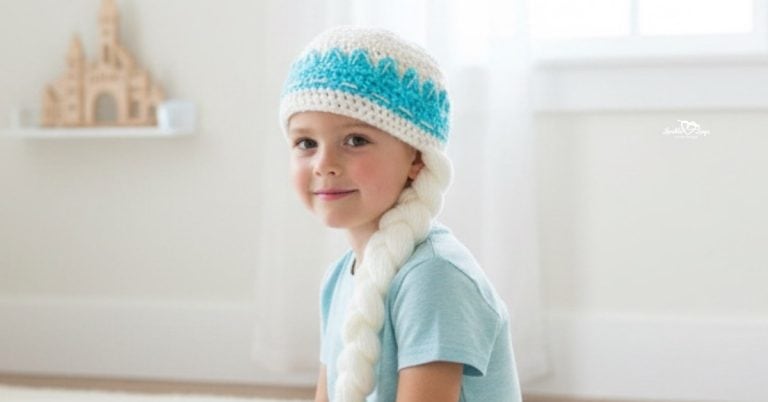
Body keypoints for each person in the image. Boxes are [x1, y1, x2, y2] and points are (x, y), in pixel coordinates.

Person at [278, 26, 522, 402]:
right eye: (306, 142)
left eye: (355, 140)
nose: (324, 164)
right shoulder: (338, 278)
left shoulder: (434, 278)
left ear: (417, 159)